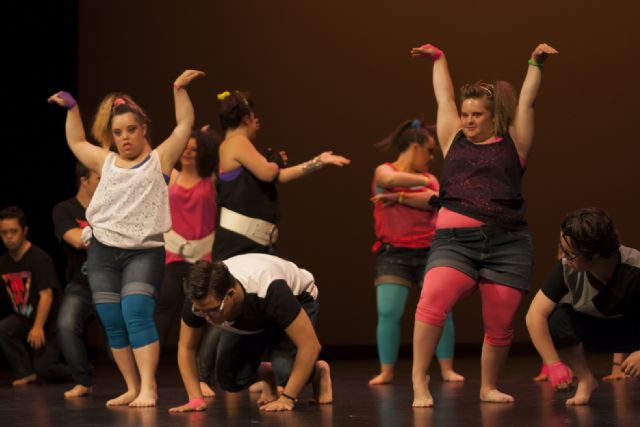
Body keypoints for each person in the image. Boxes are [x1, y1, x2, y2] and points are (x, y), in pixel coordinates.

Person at [409, 42, 558, 407]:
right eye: (466, 114)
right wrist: (440, 59)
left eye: (476, 115)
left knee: (500, 323)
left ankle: (488, 386)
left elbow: (527, 102)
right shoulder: (452, 139)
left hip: (508, 243)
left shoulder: (515, 143)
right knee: (432, 299)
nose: (468, 120)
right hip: (455, 241)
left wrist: (535, 63)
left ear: (493, 116)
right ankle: (418, 382)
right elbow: (443, 97)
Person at [47, 69, 205, 407]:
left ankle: (149, 386)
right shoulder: (106, 162)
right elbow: (76, 142)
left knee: (136, 311)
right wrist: (73, 110)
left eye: (131, 130)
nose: (125, 138)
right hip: (103, 250)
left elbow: (183, 126)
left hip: (143, 253)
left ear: (144, 129)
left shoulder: (159, 160)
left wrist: (178, 89)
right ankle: (132, 386)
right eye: (118, 133)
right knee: (112, 321)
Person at [169, 253, 332, 413]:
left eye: (213, 310)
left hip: (296, 300)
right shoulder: (199, 301)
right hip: (253, 314)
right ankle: (268, 374)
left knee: (286, 372)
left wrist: (287, 398)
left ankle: (318, 371)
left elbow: (310, 345)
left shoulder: (271, 290)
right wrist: (195, 399)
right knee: (228, 378)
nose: (207, 318)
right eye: (200, 312)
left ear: (230, 295)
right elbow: (186, 348)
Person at [369, 118, 462, 385]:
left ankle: (446, 368)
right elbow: (389, 178)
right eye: (429, 150)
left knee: (440, 311)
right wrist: (423, 184)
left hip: (430, 251)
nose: (432, 157)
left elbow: (431, 200)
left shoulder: (430, 179)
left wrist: (398, 198)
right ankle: (386, 371)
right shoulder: (384, 172)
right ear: (415, 146)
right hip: (393, 253)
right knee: (389, 312)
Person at [212, 90, 350, 260]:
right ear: (246, 118)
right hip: (239, 243)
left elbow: (280, 176)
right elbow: (269, 173)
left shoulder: (235, 145)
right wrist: (275, 162)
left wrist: (319, 161)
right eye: (253, 116)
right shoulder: (237, 142)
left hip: (251, 242)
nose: (257, 121)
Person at [526, 207, 640, 406]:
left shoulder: (634, 269)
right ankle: (586, 379)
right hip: (598, 332)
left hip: (634, 333)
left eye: (570, 254)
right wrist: (554, 364)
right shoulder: (566, 269)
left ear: (594, 253)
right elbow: (534, 315)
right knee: (556, 318)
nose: (564, 258)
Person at [154, 126, 221, 398]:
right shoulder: (172, 178)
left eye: (195, 149)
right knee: (162, 311)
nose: (189, 153)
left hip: (203, 258)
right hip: (174, 256)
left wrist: (210, 138)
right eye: (186, 148)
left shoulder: (211, 180)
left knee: (203, 315)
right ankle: (146, 375)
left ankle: (202, 377)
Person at [0, 206, 69, 386]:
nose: (8, 237)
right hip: (25, 318)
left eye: (13, 231)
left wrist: (38, 326)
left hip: (49, 322)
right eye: (4, 232)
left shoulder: (39, 258)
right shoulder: (4, 262)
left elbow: (47, 295)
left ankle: (80, 372)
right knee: (3, 328)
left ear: (25, 231)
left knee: (45, 368)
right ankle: (25, 372)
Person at [52, 162, 100, 398]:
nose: (104, 184)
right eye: (98, 179)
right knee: (66, 324)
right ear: (84, 181)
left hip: (110, 284)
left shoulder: (110, 207)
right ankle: (83, 380)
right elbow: (77, 240)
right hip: (81, 285)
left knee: (121, 337)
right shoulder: (65, 209)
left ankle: (139, 382)